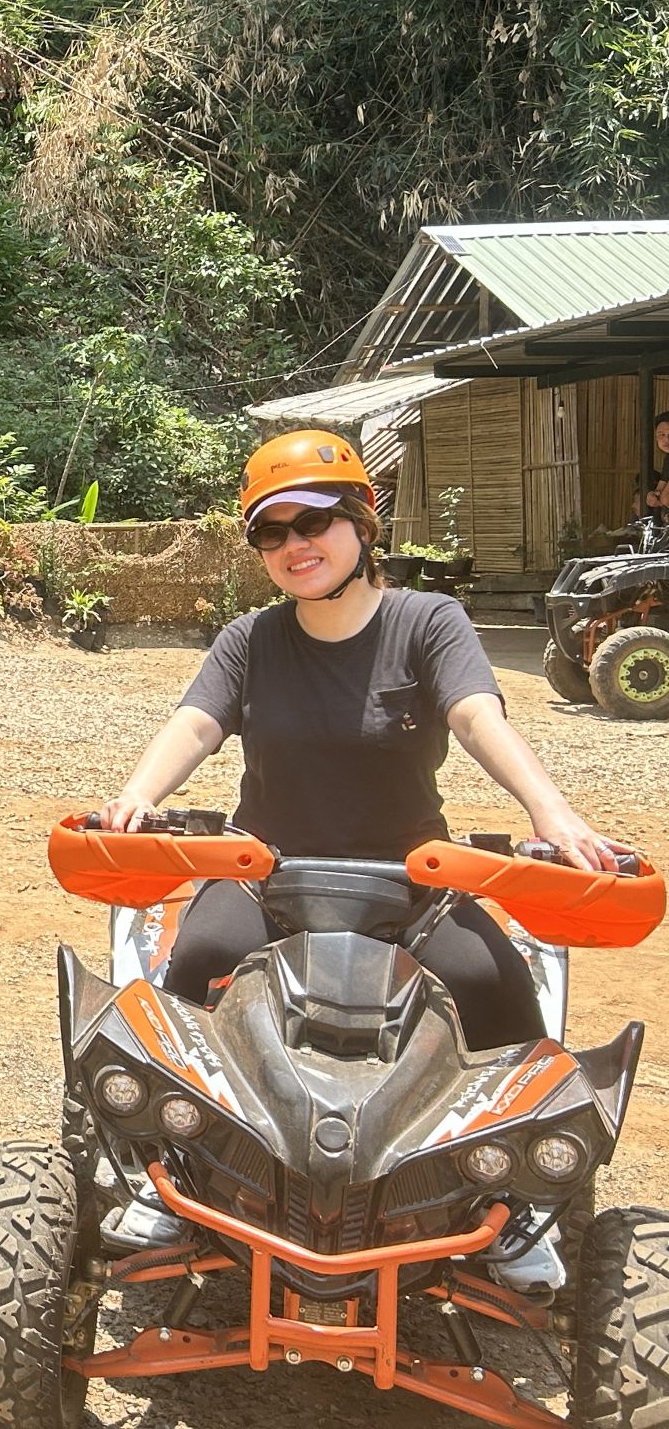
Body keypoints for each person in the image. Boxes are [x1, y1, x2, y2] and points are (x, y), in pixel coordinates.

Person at [96, 429, 620, 1284]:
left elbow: (478, 714)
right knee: (188, 973)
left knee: (503, 999)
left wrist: (550, 811)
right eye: (272, 532)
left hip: (411, 883)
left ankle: (518, 1207)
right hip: (265, 875)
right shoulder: (251, 640)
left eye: (315, 523)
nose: (295, 546)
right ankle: (167, 1174)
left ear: (363, 523)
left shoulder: (427, 621)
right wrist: (139, 796)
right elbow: (195, 723)